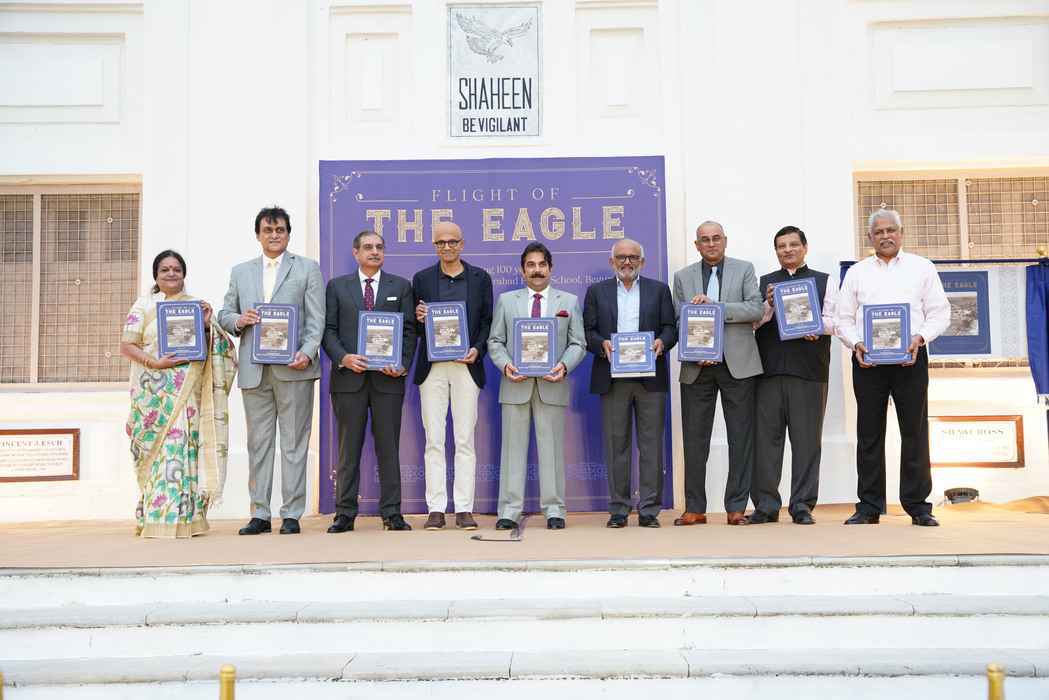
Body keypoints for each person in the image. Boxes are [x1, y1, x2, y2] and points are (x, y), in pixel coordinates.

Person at [836, 208, 950, 527]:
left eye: (891, 230)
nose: (885, 236)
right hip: (868, 361)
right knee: (869, 434)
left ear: (901, 233)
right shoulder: (857, 272)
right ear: (869, 237)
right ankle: (869, 506)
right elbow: (843, 318)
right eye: (879, 232)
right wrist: (856, 342)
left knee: (914, 432)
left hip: (911, 358)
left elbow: (940, 313)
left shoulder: (922, 267)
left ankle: (918, 506)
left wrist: (919, 337)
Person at [218, 206, 325, 536]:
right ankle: (260, 514)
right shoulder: (241, 272)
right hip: (255, 370)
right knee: (259, 445)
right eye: (268, 230)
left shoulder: (307, 268)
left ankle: (291, 513)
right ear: (258, 235)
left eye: (280, 230)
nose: (274, 235)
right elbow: (225, 313)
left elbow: (316, 318)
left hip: (295, 368)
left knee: (294, 443)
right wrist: (239, 320)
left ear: (288, 234)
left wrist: (307, 352)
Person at [120, 250, 237, 538]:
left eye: (176, 269)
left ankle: (185, 519)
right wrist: (155, 363)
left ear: (184, 274)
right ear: (156, 275)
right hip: (153, 396)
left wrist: (208, 325)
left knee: (183, 451)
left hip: (187, 394)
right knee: (158, 453)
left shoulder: (195, 306)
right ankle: (155, 518)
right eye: (165, 269)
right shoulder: (144, 306)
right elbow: (127, 345)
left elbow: (220, 348)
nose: (171, 273)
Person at [322, 230, 417, 532]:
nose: (374, 251)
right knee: (348, 449)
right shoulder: (337, 286)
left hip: (388, 381)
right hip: (348, 379)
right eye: (367, 247)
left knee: (388, 448)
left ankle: (392, 512)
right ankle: (344, 513)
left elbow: (410, 331)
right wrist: (343, 357)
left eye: (379, 247)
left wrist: (402, 364)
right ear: (355, 252)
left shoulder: (400, 286)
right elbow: (328, 330)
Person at [487, 242, 585, 530]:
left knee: (552, 450)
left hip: (552, 385)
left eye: (542, 264)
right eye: (531, 265)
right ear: (522, 270)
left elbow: (578, 343)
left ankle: (554, 510)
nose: (537, 270)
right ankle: (509, 510)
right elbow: (495, 341)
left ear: (551, 268)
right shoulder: (507, 301)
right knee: (512, 450)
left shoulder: (568, 302)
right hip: (514, 384)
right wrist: (506, 365)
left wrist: (563, 366)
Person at [673, 221, 763, 526]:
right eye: (704, 239)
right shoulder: (682, 277)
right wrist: (696, 349)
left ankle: (736, 507)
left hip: (738, 364)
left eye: (716, 238)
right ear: (696, 245)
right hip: (696, 367)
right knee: (694, 439)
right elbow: (678, 320)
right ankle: (694, 508)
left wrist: (717, 307)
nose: (711, 244)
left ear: (725, 240)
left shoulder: (744, 269)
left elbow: (755, 309)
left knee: (741, 437)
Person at [583, 239, 677, 528]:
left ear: (642, 262)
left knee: (651, 447)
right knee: (616, 446)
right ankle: (619, 509)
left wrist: (662, 342)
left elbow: (670, 327)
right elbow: (587, 331)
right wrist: (602, 345)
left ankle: (649, 510)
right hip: (612, 378)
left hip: (650, 378)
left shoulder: (658, 290)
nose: (627, 262)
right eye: (621, 257)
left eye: (633, 257)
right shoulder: (596, 291)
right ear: (612, 262)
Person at [749, 226, 838, 525]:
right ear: (776, 251)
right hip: (769, 372)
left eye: (793, 244)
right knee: (766, 443)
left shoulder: (825, 281)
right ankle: (766, 506)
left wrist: (816, 326)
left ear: (805, 247)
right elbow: (752, 324)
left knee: (807, 443)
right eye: (781, 246)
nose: (787, 250)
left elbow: (837, 321)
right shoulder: (764, 283)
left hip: (809, 372)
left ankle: (802, 505)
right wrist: (768, 305)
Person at [412, 221, 493, 530]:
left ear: (462, 244)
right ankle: (435, 508)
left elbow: (486, 321)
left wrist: (477, 349)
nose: (446, 247)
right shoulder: (422, 279)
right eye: (440, 242)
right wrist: (419, 318)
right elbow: (415, 327)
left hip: (466, 365)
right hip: (432, 367)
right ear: (434, 246)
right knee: (433, 439)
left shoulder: (480, 278)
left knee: (464, 439)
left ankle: (463, 508)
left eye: (452, 242)